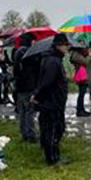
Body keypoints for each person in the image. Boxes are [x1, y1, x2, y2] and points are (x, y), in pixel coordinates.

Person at [32, 33, 71, 166]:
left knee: (54, 128)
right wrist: (37, 95)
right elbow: (47, 82)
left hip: (53, 100)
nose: (67, 48)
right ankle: (52, 158)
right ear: (59, 46)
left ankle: (54, 155)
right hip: (52, 101)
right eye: (66, 45)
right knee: (54, 129)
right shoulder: (53, 61)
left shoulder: (53, 59)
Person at [13, 33, 39, 142]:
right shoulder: (28, 53)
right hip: (28, 86)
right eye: (33, 41)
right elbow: (34, 67)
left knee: (23, 111)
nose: (35, 43)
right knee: (29, 111)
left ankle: (24, 133)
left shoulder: (18, 52)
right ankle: (30, 134)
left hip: (20, 86)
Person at [70, 45, 91, 117]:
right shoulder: (76, 55)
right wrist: (89, 55)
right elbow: (85, 62)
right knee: (81, 94)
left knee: (82, 93)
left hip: (83, 75)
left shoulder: (78, 54)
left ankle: (81, 109)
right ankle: (80, 110)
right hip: (82, 76)